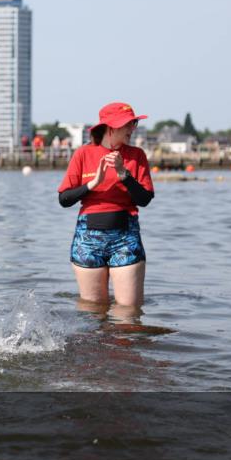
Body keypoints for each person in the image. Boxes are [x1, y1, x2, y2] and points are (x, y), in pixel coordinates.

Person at [57, 102, 155, 307]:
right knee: (92, 313)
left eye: (134, 123)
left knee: (128, 312)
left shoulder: (137, 156)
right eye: (128, 124)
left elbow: (144, 199)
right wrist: (93, 183)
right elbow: (64, 200)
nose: (132, 129)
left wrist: (123, 175)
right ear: (111, 127)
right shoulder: (83, 154)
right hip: (88, 240)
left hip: (125, 238)